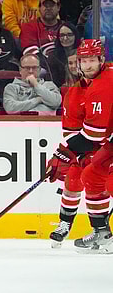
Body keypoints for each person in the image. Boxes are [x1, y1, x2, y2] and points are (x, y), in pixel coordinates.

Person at [46, 39, 113, 253]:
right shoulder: (75, 93)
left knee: (108, 182)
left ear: (101, 60)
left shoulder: (104, 84)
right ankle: (101, 233)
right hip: (98, 146)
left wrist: (63, 152)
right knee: (85, 176)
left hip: (102, 143)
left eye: (92, 60)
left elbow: (95, 133)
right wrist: (70, 153)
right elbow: (74, 131)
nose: (88, 65)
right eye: (84, 61)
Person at [46, 22, 81, 88]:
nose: (65, 38)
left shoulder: (84, 54)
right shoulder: (53, 57)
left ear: (75, 36)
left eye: (69, 35)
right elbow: (52, 82)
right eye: (62, 35)